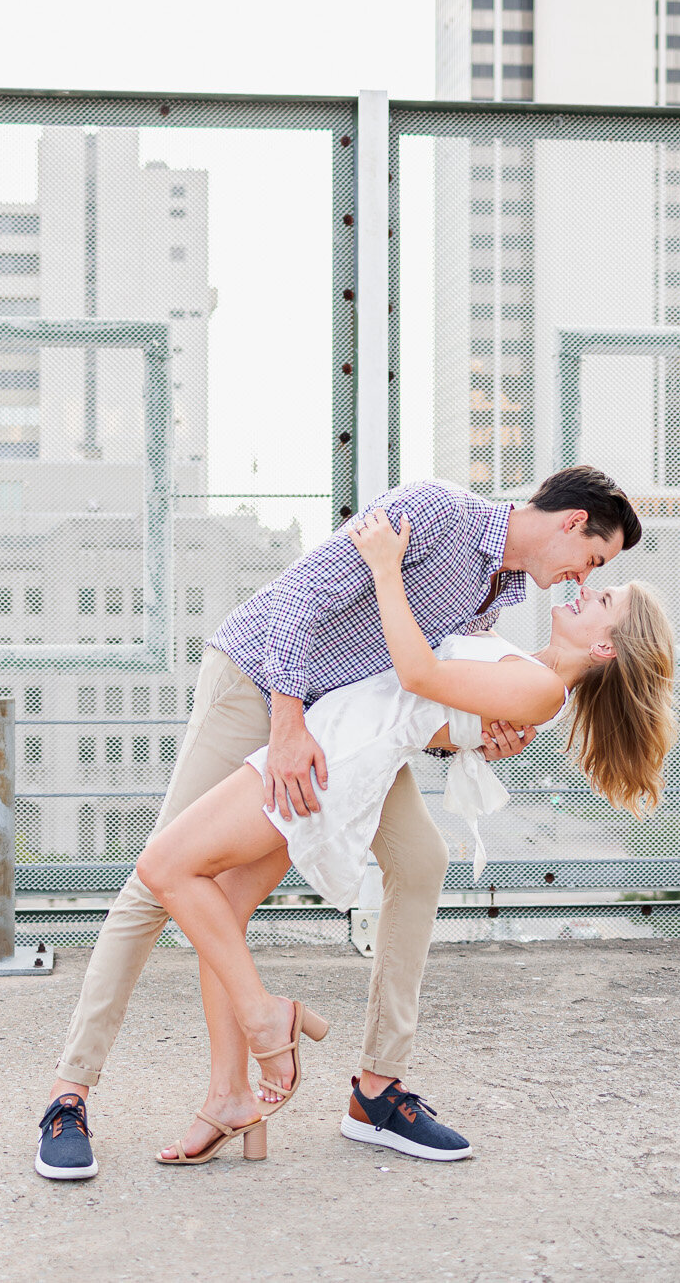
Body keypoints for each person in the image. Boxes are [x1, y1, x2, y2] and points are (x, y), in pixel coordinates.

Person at [34, 468, 641, 1181]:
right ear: (572, 521)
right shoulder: (434, 512)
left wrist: (473, 736)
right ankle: (69, 1093)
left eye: (597, 579)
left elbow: (413, 697)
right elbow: (300, 594)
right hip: (261, 683)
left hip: (341, 729)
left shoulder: (496, 596)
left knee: (420, 859)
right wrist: (287, 723)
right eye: (594, 560)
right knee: (159, 881)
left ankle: (375, 1093)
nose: (581, 580)